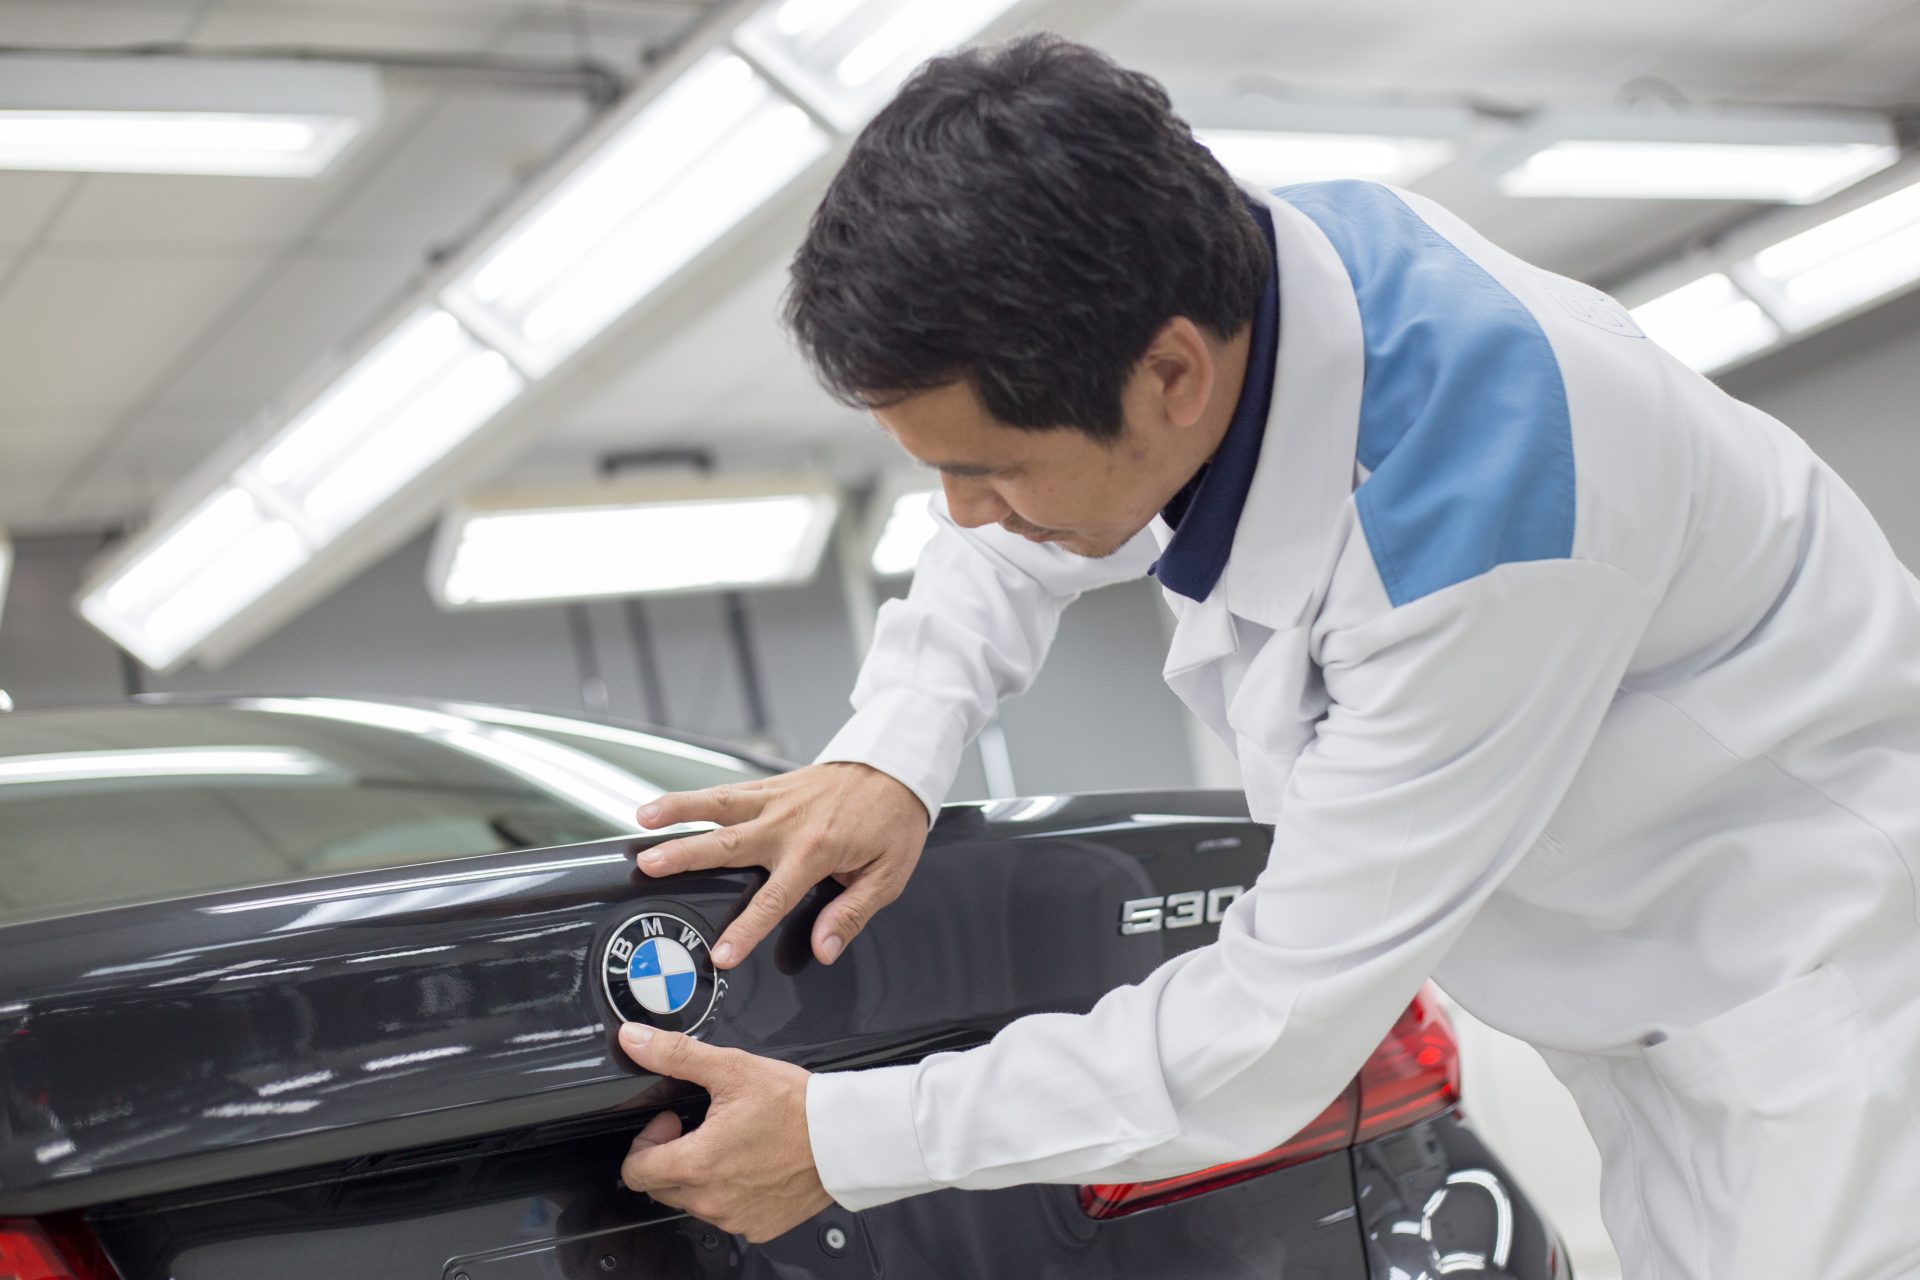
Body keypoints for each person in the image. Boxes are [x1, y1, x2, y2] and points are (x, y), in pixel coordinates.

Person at [610, 33, 1920, 1277]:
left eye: (987, 468)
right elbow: (1018, 530)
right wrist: (891, 753)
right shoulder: (1218, 277)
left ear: (1171, 377)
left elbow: (1270, 1035)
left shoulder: (1473, 535)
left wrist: (846, 1141)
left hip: (1829, 1003)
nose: (962, 513)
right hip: (1675, 1006)